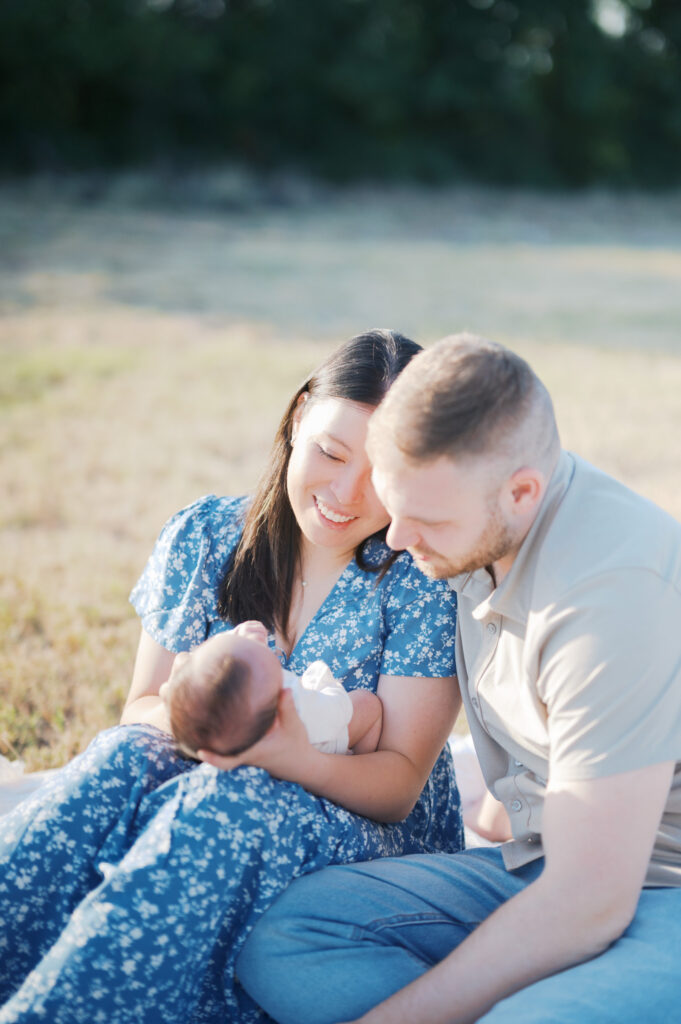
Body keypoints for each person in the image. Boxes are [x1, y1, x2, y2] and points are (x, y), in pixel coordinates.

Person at [0, 329, 464, 1024]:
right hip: (211, 763)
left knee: (227, 804)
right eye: (330, 453)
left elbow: (398, 786)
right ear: (298, 416)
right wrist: (215, 723)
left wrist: (283, 753)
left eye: (378, 473)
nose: (345, 493)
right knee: (119, 757)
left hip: (371, 831)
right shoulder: (207, 536)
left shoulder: (421, 577)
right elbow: (142, 708)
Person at [238, 333, 681, 1024]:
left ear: (521, 492)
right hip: (542, 863)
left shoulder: (609, 591)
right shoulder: (472, 519)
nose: (395, 541)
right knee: (290, 939)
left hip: (653, 889)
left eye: (428, 520)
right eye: (396, 504)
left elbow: (592, 896)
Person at [160, 620, 383, 759]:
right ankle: (356, 759)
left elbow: (219, 667)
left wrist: (237, 638)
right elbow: (338, 710)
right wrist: (326, 682)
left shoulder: (244, 708)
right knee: (367, 704)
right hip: (319, 744)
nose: (264, 644)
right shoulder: (296, 705)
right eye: (268, 655)